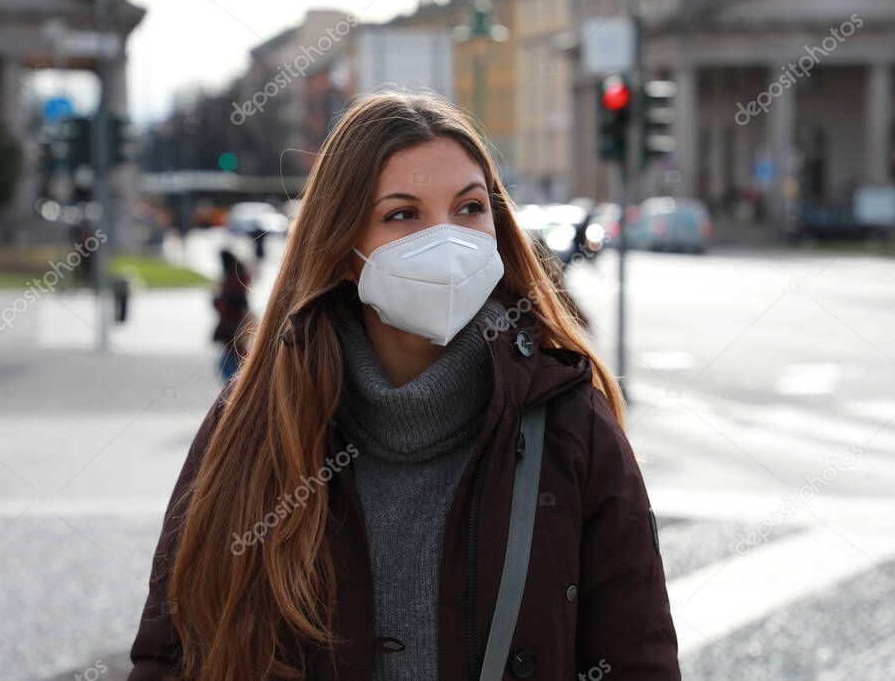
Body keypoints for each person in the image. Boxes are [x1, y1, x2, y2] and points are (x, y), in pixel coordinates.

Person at [128, 91, 680, 680]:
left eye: (469, 208)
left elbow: (636, 658)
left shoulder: (570, 420)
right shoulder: (254, 419)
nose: (446, 240)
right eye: (402, 214)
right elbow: (172, 654)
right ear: (343, 248)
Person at [212, 249, 251, 382]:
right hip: (235, 322)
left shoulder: (232, 279)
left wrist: (218, 300)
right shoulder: (238, 276)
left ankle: (235, 386)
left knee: (231, 358)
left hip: (232, 323)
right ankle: (236, 384)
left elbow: (234, 302)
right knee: (233, 356)